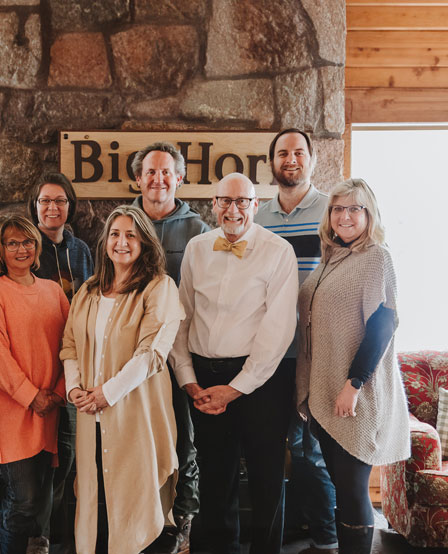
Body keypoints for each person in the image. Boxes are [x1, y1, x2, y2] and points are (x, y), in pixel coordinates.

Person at [169, 173, 299, 554]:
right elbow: (183, 316)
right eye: (226, 200)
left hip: (261, 379)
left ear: (255, 206)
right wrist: (187, 378)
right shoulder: (196, 248)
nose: (234, 209)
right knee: (215, 476)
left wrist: (237, 387)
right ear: (214, 204)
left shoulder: (278, 251)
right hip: (205, 378)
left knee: (266, 476)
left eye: (243, 201)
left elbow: (278, 328)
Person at [60, 205, 184, 554]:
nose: (122, 242)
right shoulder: (87, 290)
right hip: (88, 415)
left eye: (131, 235)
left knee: (135, 495)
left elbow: (151, 354)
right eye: (115, 234)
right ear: (105, 242)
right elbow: (69, 344)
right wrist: (75, 390)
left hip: (136, 414)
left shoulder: (159, 287)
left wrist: (107, 393)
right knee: (92, 495)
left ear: (145, 242)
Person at [296, 178, 409, 554]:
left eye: (354, 208)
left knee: (352, 491)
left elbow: (383, 325)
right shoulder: (332, 256)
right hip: (326, 388)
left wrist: (353, 384)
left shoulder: (377, 256)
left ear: (369, 214)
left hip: (356, 394)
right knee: (341, 488)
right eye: (337, 209)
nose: (345, 216)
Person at [255, 128, 337, 554]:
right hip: (268, 356)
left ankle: (327, 540)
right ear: (271, 162)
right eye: (283, 152)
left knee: (311, 455)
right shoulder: (257, 216)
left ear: (312, 159)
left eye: (299, 152)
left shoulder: (331, 212)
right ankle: (275, 540)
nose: (291, 159)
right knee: (269, 453)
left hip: (316, 354)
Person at [130, 141, 209, 554]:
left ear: (179, 178)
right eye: (150, 172)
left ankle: (185, 523)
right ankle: (143, 521)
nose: (158, 179)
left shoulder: (198, 230)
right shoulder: (122, 224)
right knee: (139, 438)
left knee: (184, 441)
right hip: (131, 355)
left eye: (166, 172)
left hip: (181, 355)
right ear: (138, 178)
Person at [0, 215, 69, 554]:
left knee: (44, 493)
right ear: (0, 249)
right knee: (23, 499)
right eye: (12, 243)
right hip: (14, 408)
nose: (21, 249)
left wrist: (57, 393)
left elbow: (70, 347)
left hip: (53, 407)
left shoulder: (54, 291)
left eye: (27, 241)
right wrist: (32, 397)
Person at [27, 171, 94, 552]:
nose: (52, 207)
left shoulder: (81, 250)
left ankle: (64, 538)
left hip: (74, 367)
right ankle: (38, 537)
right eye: (45, 201)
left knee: (67, 457)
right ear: (34, 206)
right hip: (35, 366)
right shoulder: (23, 246)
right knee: (39, 459)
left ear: (70, 206)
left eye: (60, 201)